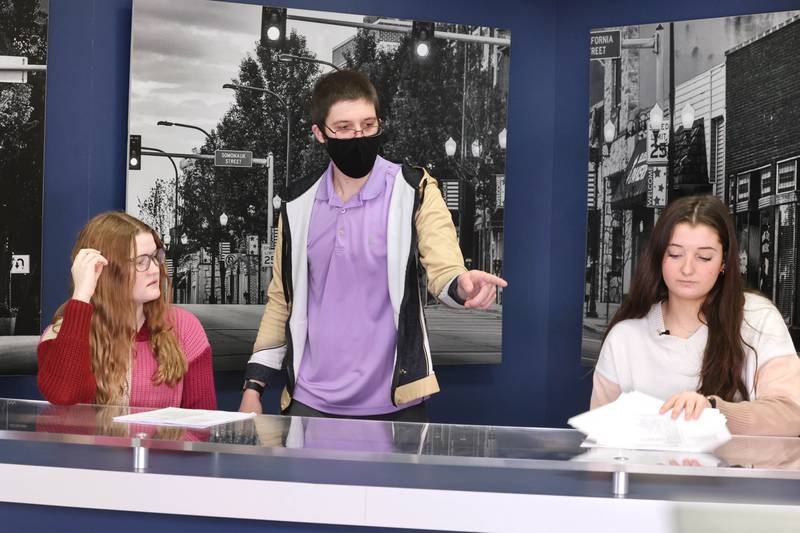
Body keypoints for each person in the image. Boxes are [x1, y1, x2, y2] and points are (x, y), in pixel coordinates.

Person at [239, 70, 507, 421]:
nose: (358, 136)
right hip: (310, 404)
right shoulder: (297, 204)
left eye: (368, 125)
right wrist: (253, 387)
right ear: (320, 133)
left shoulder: (415, 189)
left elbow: (444, 268)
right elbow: (281, 299)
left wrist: (462, 285)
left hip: (397, 405)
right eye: (345, 128)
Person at [591, 195, 800, 436]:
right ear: (659, 257)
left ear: (724, 261)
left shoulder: (757, 318)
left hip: (735, 474)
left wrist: (714, 411)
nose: (687, 269)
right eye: (675, 254)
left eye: (704, 257)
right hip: (649, 474)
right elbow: (599, 437)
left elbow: (791, 414)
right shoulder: (625, 337)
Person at [38, 212, 216, 409]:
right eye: (141, 262)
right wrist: (82, 294)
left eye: (156, 256)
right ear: (106, 271)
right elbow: (63, 394)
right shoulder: (61, 333)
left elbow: (203, 424)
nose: (156, 268)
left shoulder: (184, 326)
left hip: (160, 441)